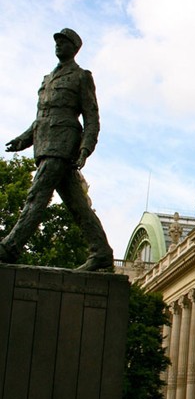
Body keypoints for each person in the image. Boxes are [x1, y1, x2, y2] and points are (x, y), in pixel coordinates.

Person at [0, 28, 113, 271]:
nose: (58, 45)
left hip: (64, 144)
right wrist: (23, 140)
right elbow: (42, 117)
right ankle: (101, 251)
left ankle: (10, 247)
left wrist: (85, 148)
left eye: (63, 42)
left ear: (74, 48)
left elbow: (91, 117)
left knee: (37, 194)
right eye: (57, 42)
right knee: (77, 204)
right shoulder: (48, 79)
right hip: (45, 144)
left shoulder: (81, 76)